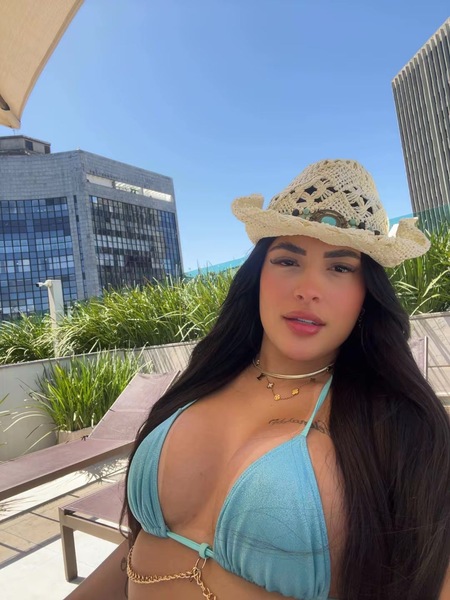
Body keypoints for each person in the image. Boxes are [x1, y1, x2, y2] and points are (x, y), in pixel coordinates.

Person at [66, 159, 450, 600]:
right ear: (257, 276)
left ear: (367, 293)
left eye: (341, 267)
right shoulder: (203, 381)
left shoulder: (402, 426)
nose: (308, 289)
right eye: (287, 259)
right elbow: (143, 548)